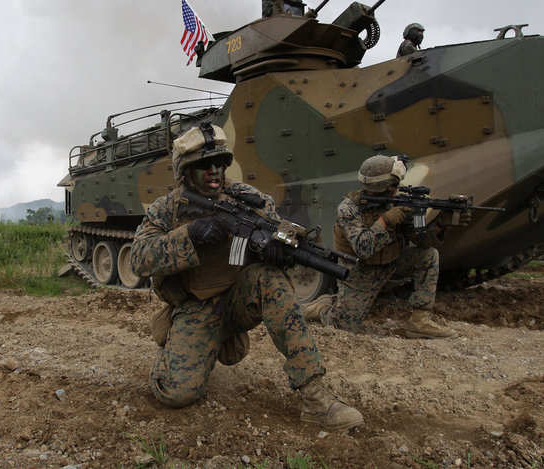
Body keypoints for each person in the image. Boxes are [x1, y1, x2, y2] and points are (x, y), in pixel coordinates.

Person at [130, 122, 364, 431]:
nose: (215, 170)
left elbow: (280, 230)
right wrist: (191, 234)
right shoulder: (167, 209)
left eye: (220, 163)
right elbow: (139, 259)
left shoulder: (246, 199)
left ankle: (316, 399)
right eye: (204, 164)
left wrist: (279, 250)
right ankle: (178, 340)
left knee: (272, 280)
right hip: (196, 305)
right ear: (185, 171)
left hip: (240, 296)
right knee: (175, 393)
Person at [304, 155, 469, 338]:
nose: (396, 189)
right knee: (344, 327)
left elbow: (422, 242)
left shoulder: (397, 202)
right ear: (387, 187)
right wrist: (386, 220)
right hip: (360, 273)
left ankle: (419, 321)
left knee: (429, 255)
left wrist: (441, 225)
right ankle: (322, 307)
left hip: (392, 263)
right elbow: (363, 248)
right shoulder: (349, 208)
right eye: (394, 185)